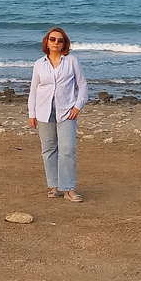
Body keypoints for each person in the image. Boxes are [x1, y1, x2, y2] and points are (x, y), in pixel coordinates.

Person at [27, 27, 88, 202]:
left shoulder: (72, 61)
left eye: (60, 40)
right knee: (49, 149)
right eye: (52, 39)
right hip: (44, 112)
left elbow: (83, 86)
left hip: (67, 111)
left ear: (64, 44)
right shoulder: (39, 64)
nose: (56, 43)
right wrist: (32, 113)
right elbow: (33, 90)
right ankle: (54, 186)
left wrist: (77, 106)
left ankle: (69, 189)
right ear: (47, 42)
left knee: (68, 149)